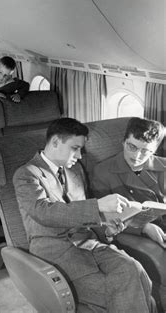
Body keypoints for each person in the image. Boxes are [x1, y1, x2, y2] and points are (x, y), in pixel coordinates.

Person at [13, 117, 156, 312]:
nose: (80, 155)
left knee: (136, 271)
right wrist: (98, 205)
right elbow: (44, 212)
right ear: (55, 142)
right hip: (56, 255)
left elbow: (82, 215)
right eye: (75, 148)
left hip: (91, 245)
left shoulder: (75, 171)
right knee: (126, 290)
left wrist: (107, 227)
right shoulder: (27, 174)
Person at [92, 117, 166, 248]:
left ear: (154, 150)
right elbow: (103, 217)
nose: (137, 156)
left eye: (145, 151)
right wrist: (143, 227)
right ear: (123, 142)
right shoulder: (102, 171)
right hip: (135, 230)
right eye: (132, 146)